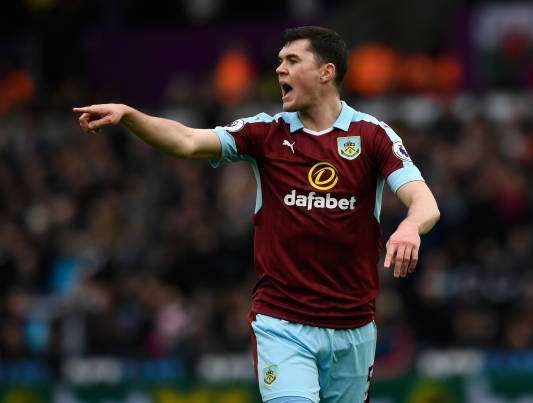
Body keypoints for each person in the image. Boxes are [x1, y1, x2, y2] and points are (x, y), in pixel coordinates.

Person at [73, 26, 440, 403]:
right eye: (279, 60)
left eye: (292, 60)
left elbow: (425, 202)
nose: (279, 69)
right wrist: (131, 115)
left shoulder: (372, 136)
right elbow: (186, 141)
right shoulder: (264, 134)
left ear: (326, 72)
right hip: (282, 325)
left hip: (354, 328)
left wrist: (410, 226)